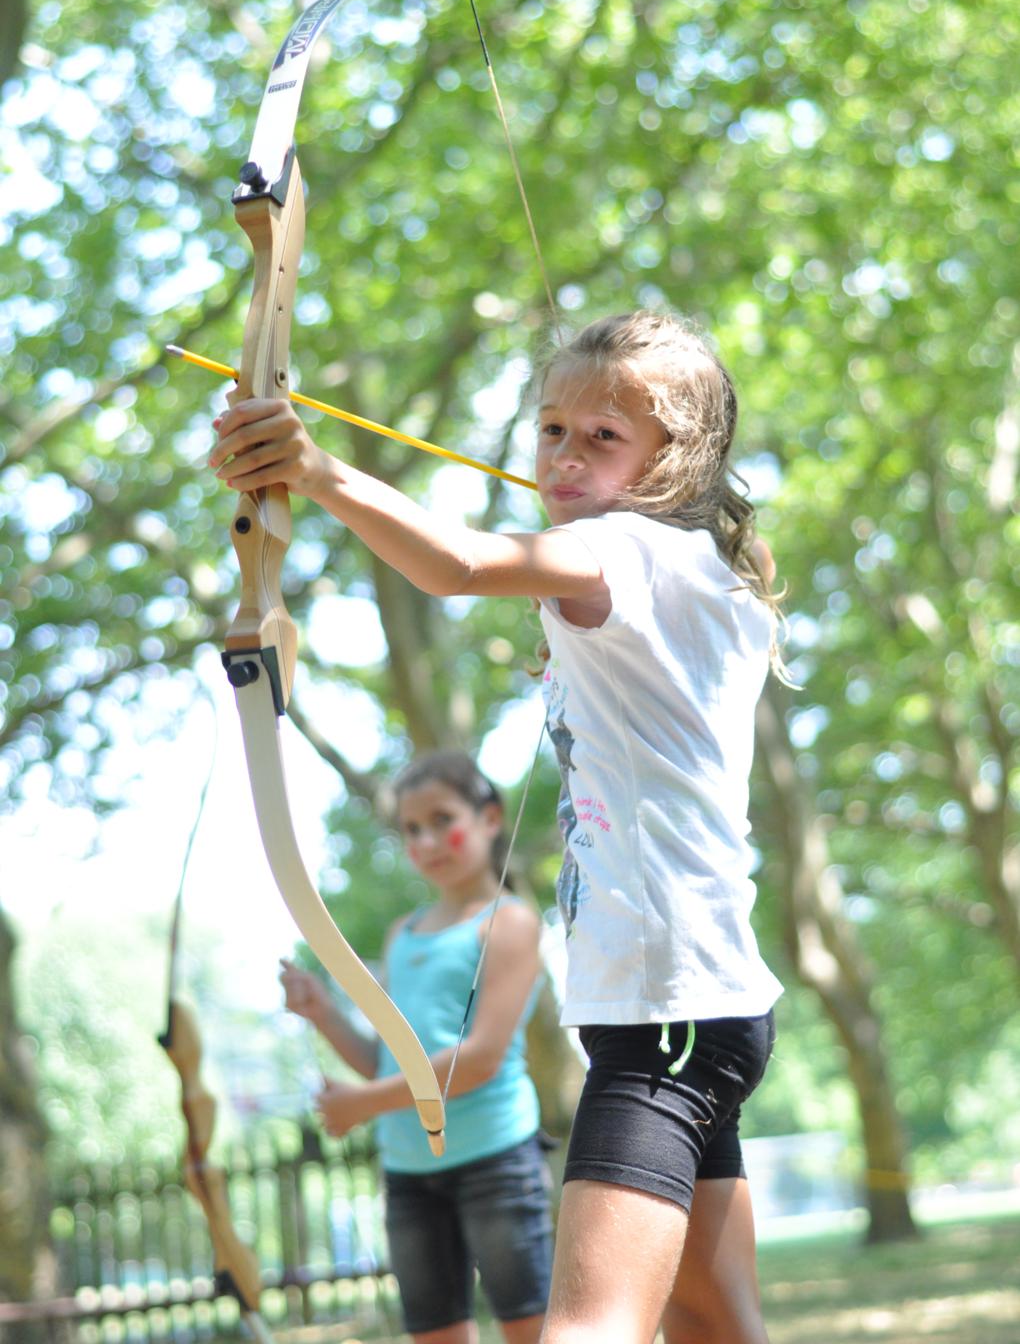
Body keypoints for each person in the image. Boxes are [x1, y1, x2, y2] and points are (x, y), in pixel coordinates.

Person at [212, 308, 784, 1344]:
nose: (565, 455)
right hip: (702, 1007)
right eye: (551, 429)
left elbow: (461, 565)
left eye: (604, 437)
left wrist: (315, 470)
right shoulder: (692, 574)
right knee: (711, 1321)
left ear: (677, 457)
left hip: (668, 1014)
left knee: (585, 1330)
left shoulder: (633, 553)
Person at [279, 750, 552, 1344]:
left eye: (442, 818)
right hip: (409, 1169)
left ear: (489, 817)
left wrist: (363, 1104)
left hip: (495, 1159)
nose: (428, 840)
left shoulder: (510, 922)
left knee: (531, 1327)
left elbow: (480, 1059)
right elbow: (385, 1059)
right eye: (412, 829)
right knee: (434, 1334)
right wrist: (321, 1011)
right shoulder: (402, 932)